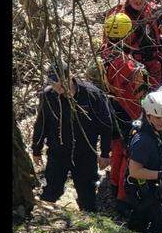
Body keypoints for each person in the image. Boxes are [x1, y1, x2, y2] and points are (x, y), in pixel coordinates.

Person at [31, 62, 113, 212]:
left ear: (70, 76)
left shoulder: (92, 94)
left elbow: (106, 125)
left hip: (85, 154)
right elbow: (41, 125)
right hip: (58, 152)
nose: (58, 85)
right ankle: (46, 218)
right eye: (54, 82)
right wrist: (36, 149)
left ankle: (89, 225)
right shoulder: (48, 96)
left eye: (61, 80)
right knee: (51, 191)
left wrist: (105, 153)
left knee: (87, 195)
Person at [101, 12, 150, 207]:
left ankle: (113, 184)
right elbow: (138, 95)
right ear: (127, 34)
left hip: (108, 109)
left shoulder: (103, 54)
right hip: (126, 111)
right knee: (128, 152)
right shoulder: (128, 65)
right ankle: (123, 197)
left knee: (117, 147)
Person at [124, 90, 162, 233]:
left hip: (148, 186)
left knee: (141, 221)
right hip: (140, 189)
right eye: (158, 118)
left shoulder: (155, 130)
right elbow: (134, 171)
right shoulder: (143, 140)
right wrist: (160, 175)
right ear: (148, 115)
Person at [102, 0, 162, 87]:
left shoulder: (150, 9)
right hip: (132, 68)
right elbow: (108, 46)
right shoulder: (118, 17)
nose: (138, 0)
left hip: (153, 62)